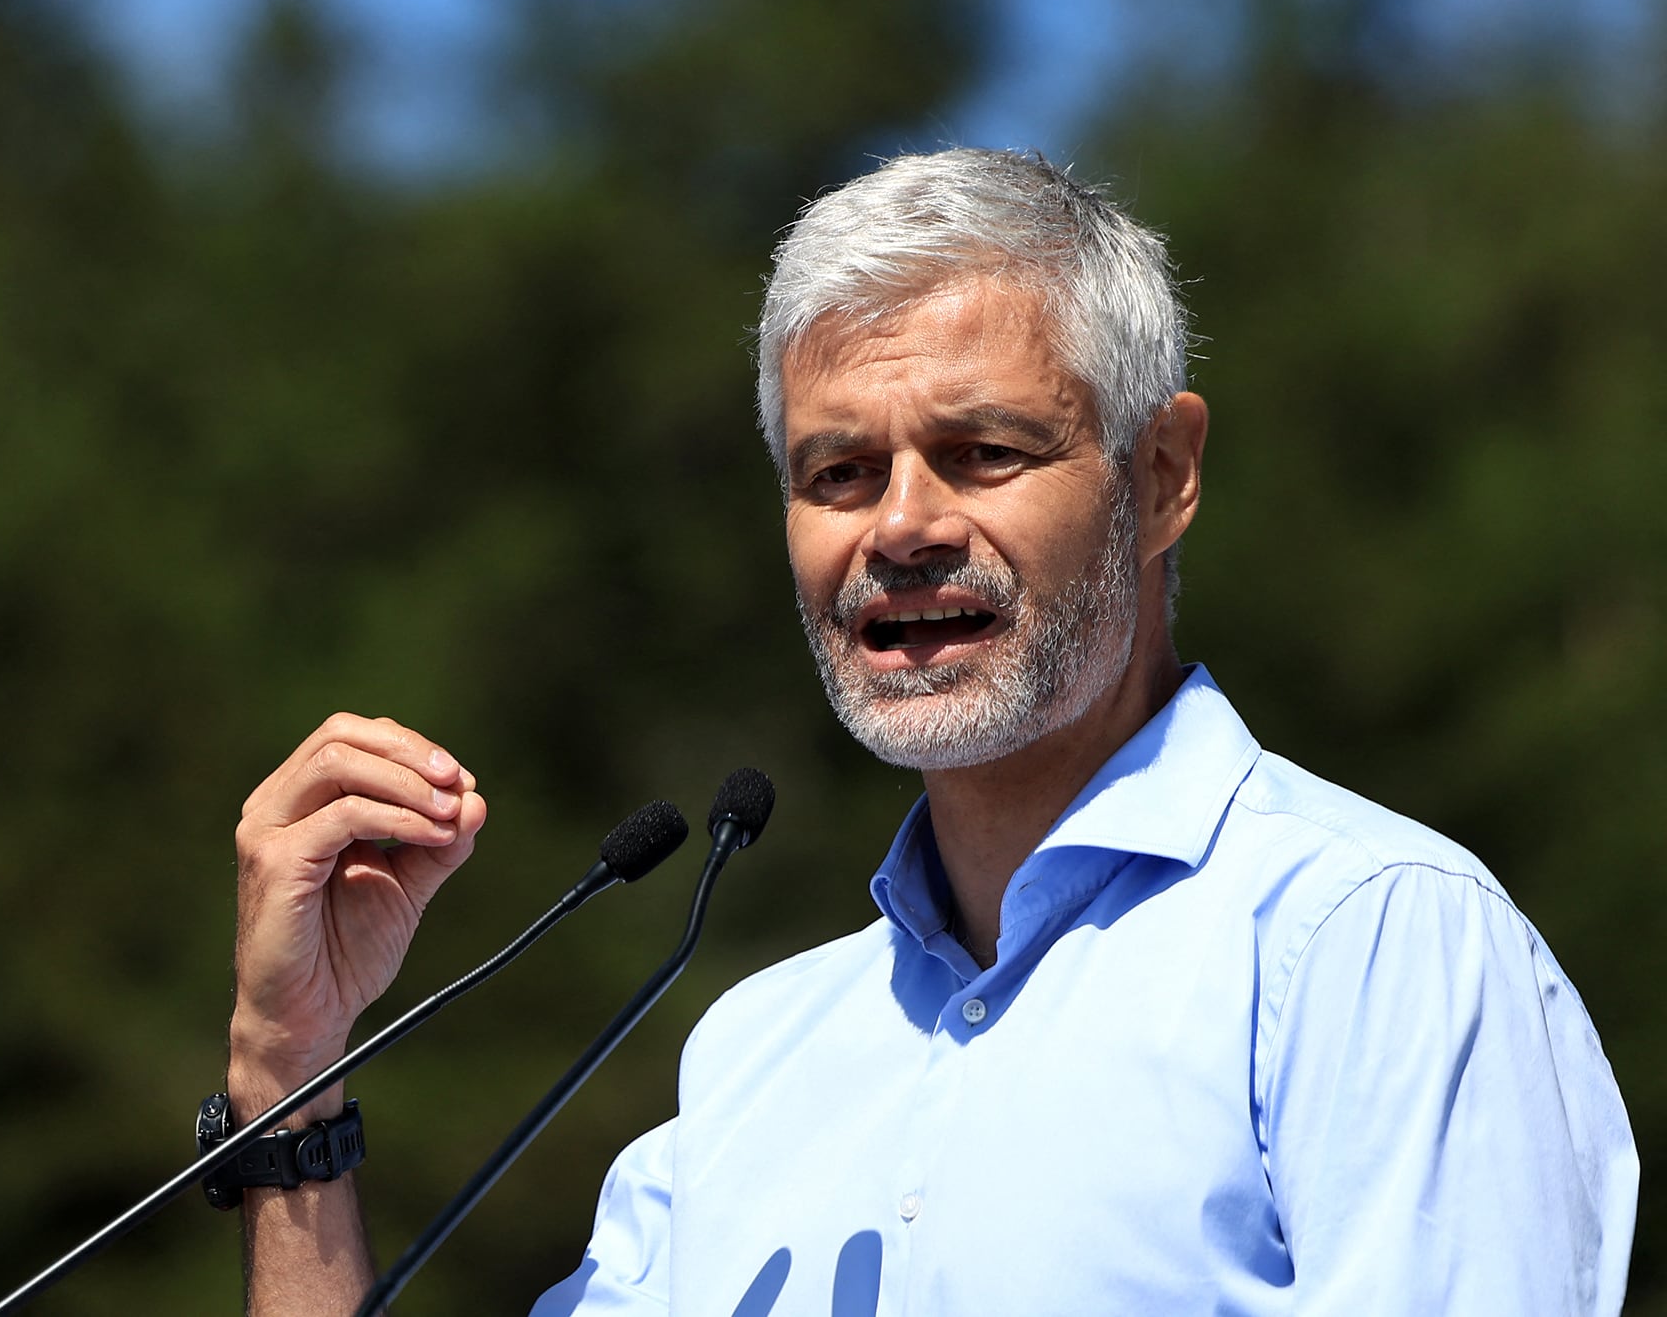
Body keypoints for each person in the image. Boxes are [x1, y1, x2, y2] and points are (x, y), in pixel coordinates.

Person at [225, 149, 1637, 1315]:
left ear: (1161, 475)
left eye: (983, 452)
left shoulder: (1372, 941)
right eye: (840, 470)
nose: (899, 526)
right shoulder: (752, 1053)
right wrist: (293, 1073)